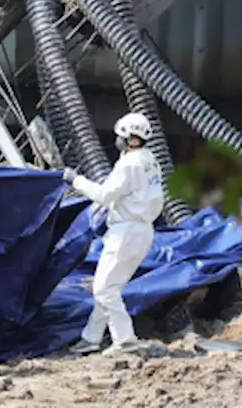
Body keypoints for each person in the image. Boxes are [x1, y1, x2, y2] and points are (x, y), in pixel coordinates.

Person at [61, 113, 165, 355]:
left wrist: (75, 180)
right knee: (109, 287)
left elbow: (104, 196)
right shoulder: (150, 159)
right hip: (143, 231)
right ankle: (91, 338)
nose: (117, 140)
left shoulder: (128, 164)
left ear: (129, 138)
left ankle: (125, 341)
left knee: (104, 290)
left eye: (120, 136)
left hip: (126, 232)